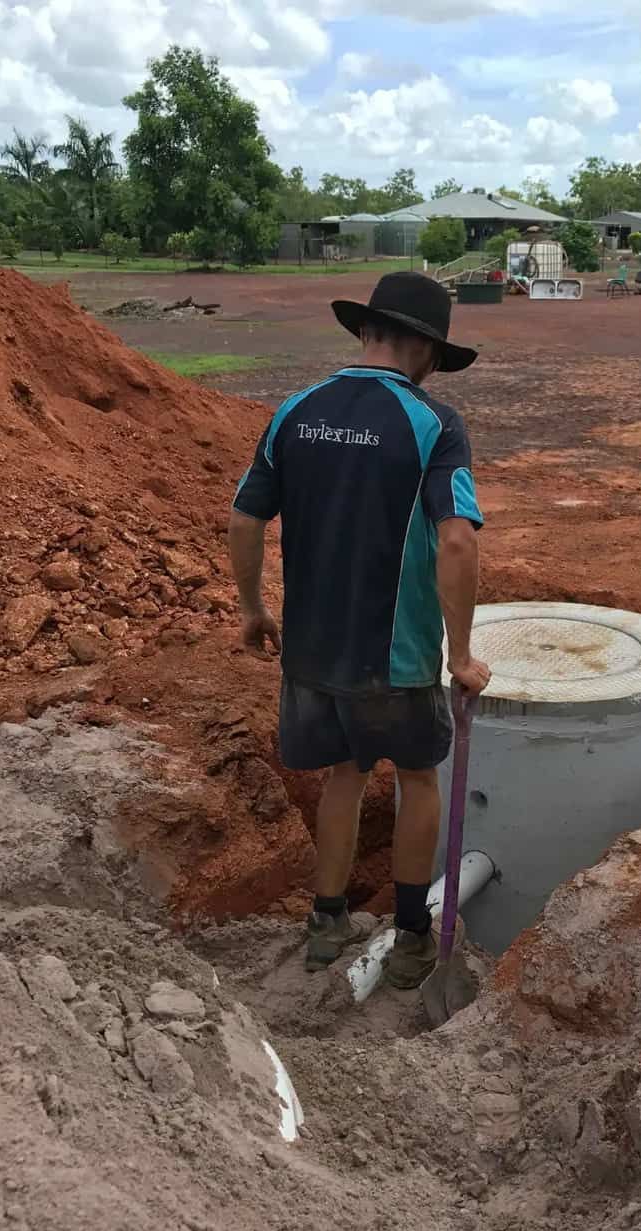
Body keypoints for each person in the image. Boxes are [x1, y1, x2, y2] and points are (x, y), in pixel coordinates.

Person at [228, 272, 491, 988]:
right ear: (427, 350)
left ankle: (326, 921)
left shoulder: (296, 410)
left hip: (311, 656)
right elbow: (459, 542)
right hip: (396, 659)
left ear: (367, 332)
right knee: (417, 778)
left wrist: (253, 611)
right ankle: (411, 938)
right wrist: (460, 654)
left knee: (345, 773)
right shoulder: (434, 425)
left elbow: (246, 515)